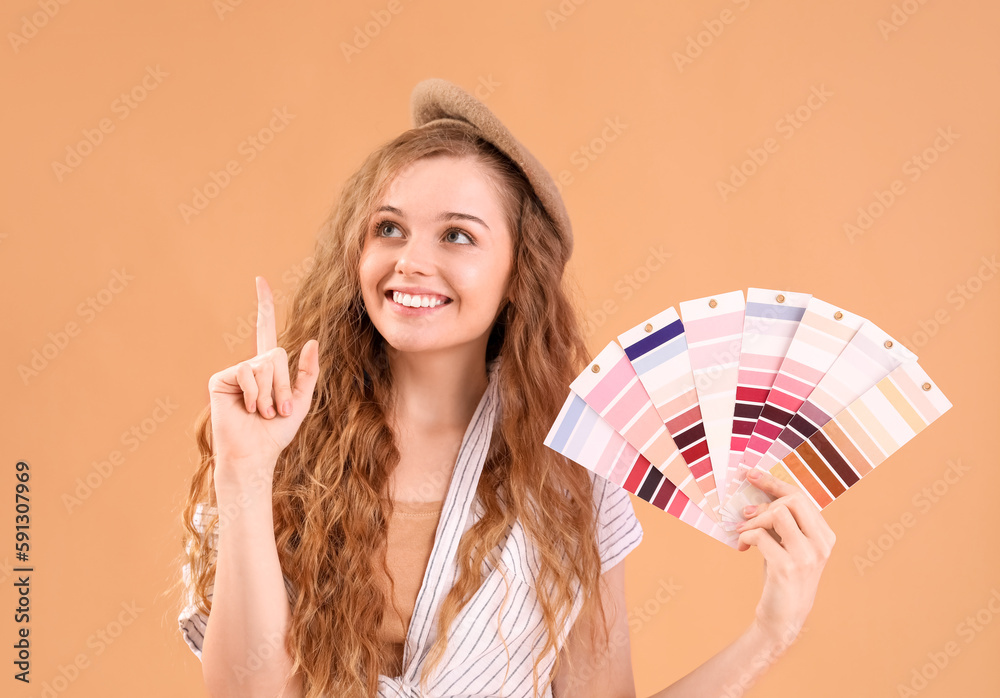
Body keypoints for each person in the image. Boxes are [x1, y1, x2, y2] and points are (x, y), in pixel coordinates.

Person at [176, 78, 836, 698]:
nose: (411, 260)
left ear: (518, 271)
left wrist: (768, 636)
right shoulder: (275, 439)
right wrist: (244, 471)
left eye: (457, 234)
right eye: (389, 228)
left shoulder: (573, 474)